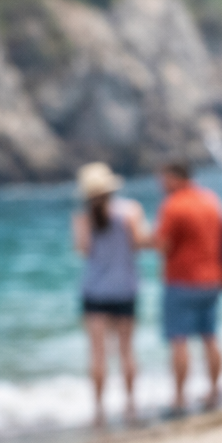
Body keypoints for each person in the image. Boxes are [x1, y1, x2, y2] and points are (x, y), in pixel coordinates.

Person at [72, 162, 149, 427]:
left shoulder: (83, 218)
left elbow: (83, 250)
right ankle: (130, 406)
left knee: (97, 354)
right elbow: (139, 245)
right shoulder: (131, 211)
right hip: (125, 289)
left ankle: (99, 410)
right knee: (127, 351)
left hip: (95, 291)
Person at [153, 161, 222, 414]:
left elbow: (162, 244)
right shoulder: (211, 200)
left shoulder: (173, 205)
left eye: (162, 178)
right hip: (213, 278)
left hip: (182, 280)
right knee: (211, 338)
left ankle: (180, 398)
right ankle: (215, 392)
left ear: (175, 177)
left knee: (179, 341)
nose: (160, 184)